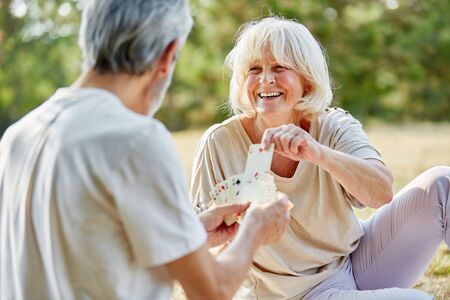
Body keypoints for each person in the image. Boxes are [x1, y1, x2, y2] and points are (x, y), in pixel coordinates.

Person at [0, 2, 292, 300]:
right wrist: (255, 230)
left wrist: (188, 233)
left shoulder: (17, 137)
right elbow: (211, 291)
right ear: (167, 54)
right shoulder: (136, 139)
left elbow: (82, 250)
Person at [191, 16, 450, 299]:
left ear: (307, 80)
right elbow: (197, 243)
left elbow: (381, 193)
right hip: (292, 293)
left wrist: (319, 154)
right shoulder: (219, 142)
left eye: (279, 67)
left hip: (351, 266)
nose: (266, 79)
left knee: (442, 183)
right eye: (255, 69)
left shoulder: (334, 126)